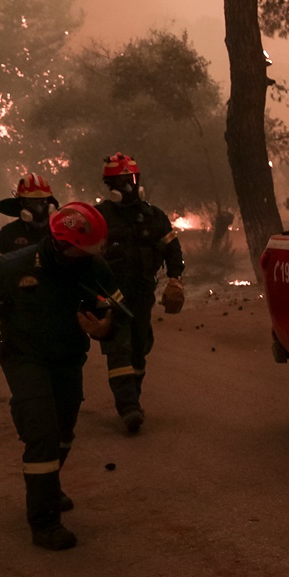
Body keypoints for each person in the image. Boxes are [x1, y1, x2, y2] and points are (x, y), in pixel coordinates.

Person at [0, 202, 123, 551]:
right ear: (59, 243)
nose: (87, 255)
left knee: (64, 432)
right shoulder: (12, 267)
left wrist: (105, 327)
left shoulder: (93, 267)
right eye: (81, 249)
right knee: (42, 431)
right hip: (24, 358)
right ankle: (44, 523)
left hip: (68, 358)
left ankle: (49, 485)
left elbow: (114, 311)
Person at [97, 153, 185, 433]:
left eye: (131, 180)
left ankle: (132, 396)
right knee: (118, 348)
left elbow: (173, 249)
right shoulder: (99, 217)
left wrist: (175, 280)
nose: (127, 186)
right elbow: (83, 256)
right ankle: (128, 407)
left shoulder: (153, 216)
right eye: (120, 181)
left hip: (142, 295)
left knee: (139, 348)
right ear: (109, 185)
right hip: (111, 298)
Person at [0, 172, 57, 265]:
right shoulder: (8, 233)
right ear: (21, 203)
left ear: (50, 203)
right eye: (31, 202)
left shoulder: (59, 232)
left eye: (42, 201)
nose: (38, 207)